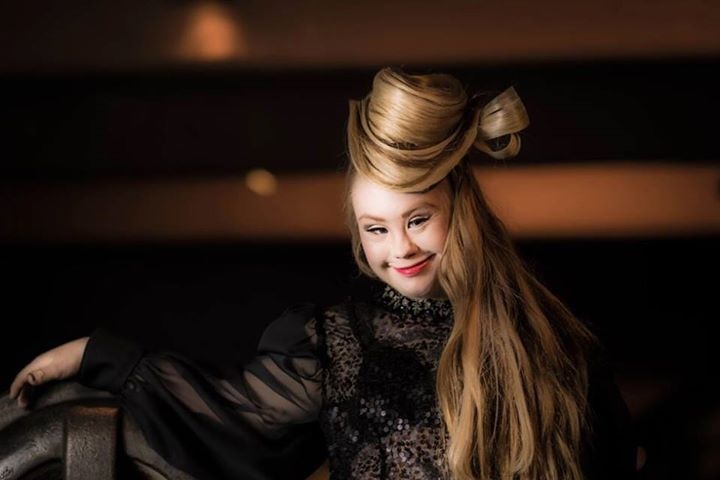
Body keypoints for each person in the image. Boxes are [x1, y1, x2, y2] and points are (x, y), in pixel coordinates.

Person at [8, 67, 637, 479]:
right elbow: (231, 425)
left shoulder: (555, 341)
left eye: (418, 219)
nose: (399, 248)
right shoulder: (336, 344)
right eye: (375, 228)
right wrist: (101, 354)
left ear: (462, 210)